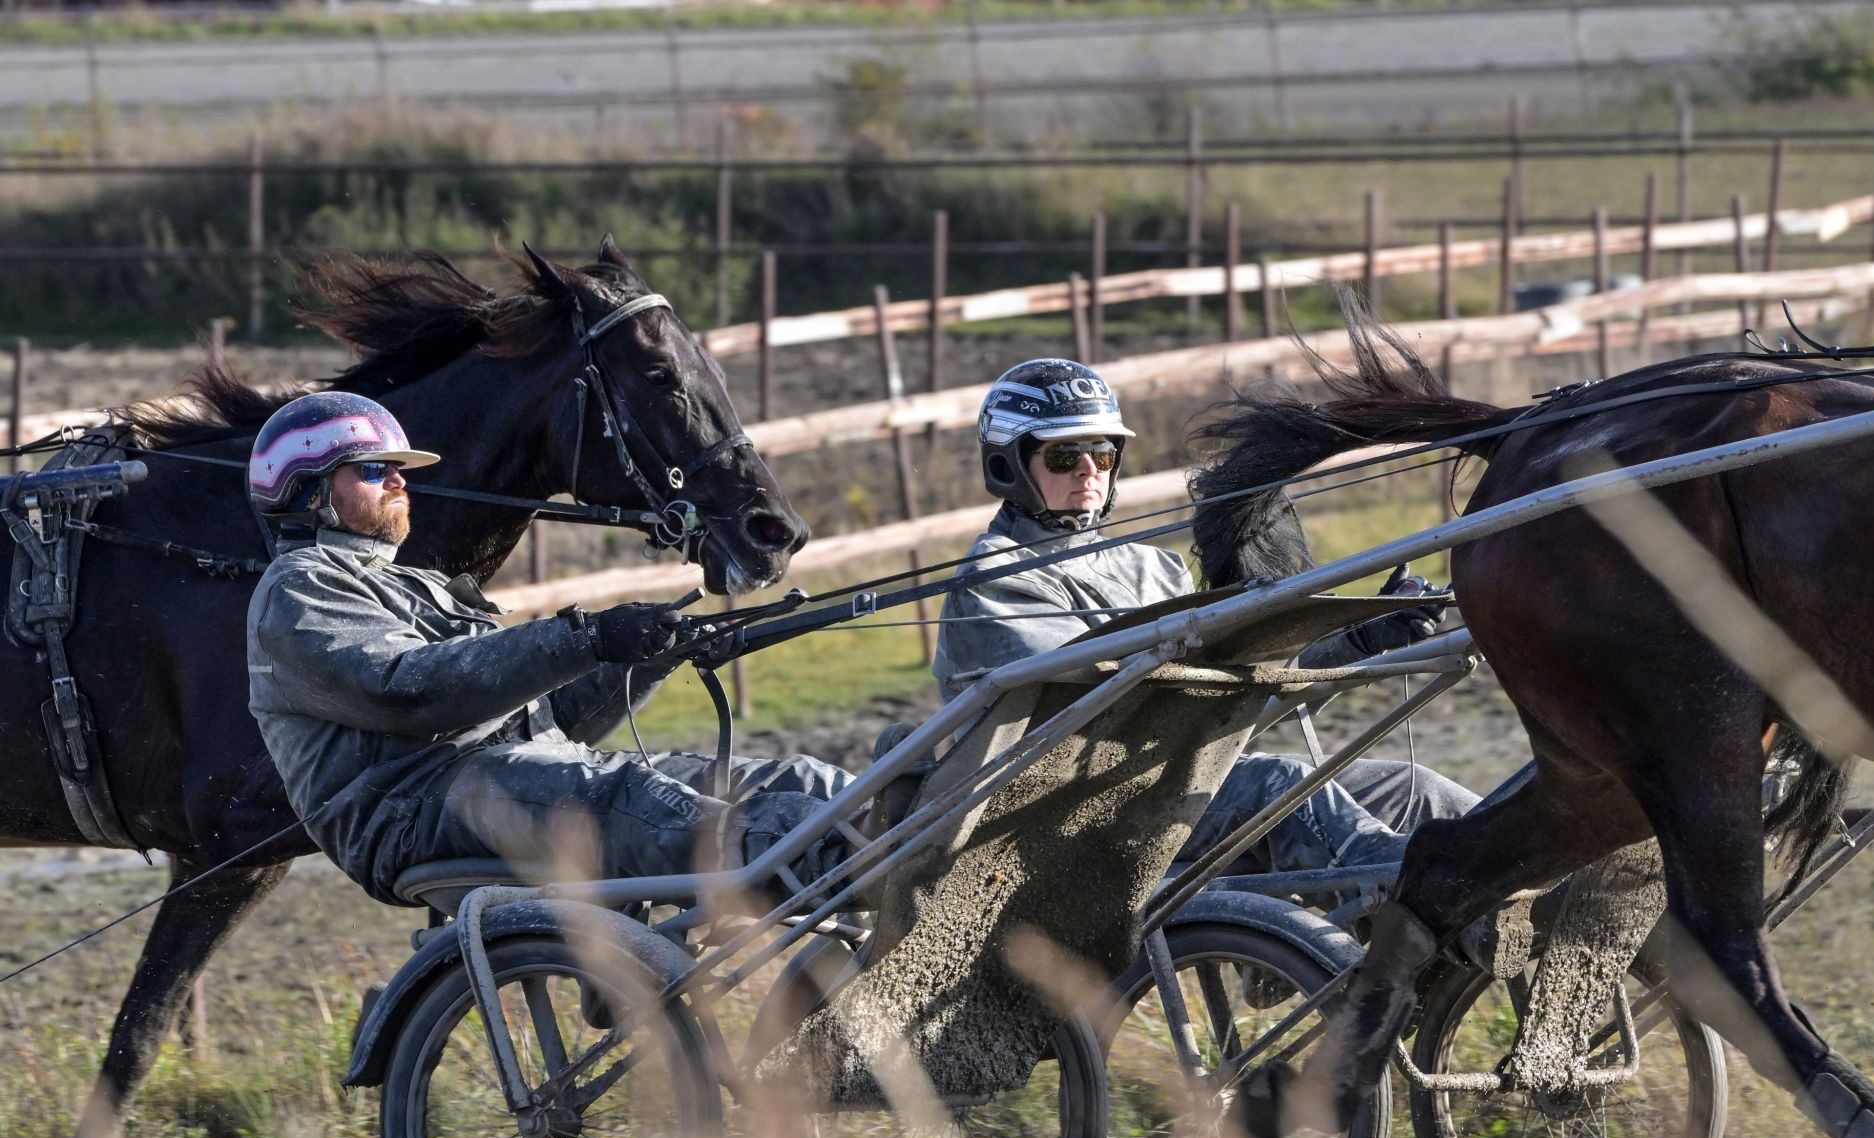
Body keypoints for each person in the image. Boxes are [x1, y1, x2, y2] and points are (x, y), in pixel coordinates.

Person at [244, 391, 849, 905]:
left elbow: (555, 720)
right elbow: (410, 692)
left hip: (510, 771)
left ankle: (890, 820)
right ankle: (837, 859)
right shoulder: (302, 587)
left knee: (789, 781)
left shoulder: (415, 582)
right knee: (639, 801)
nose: (400, 480)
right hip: (414, 804)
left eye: (398, 468)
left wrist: (640, 658)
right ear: (307, 491)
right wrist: (587, 637)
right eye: (374, 470)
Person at [932, 358, 1479, 877]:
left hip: (1178, 777)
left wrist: (1364, 637)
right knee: (1280, 783)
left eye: (1101, 455)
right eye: (1062, 456)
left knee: (1413, 787)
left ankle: (1529, 886)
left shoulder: (1152, 566)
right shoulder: (996, 580)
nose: (1087, 472)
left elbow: (1243, 687)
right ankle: (1418, 900)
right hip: (1069, 810)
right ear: (1008, 465)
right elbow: (1095, 711)